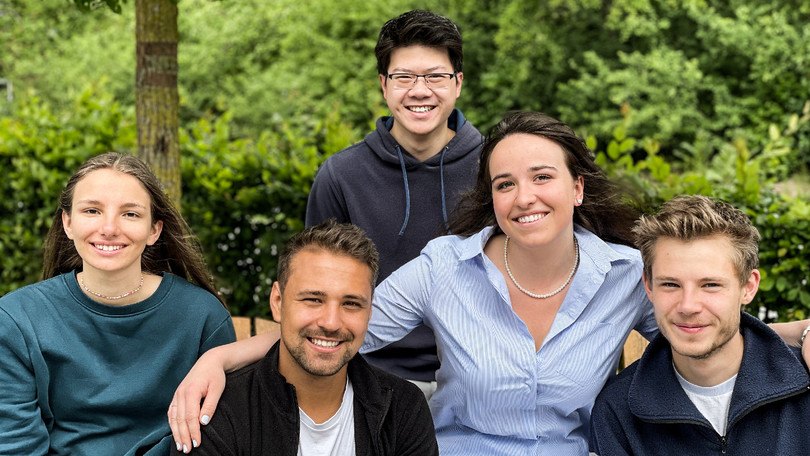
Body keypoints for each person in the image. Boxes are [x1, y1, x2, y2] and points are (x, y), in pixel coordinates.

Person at [168, 111, 810, 455]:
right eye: (505, 184)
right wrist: (219, 358)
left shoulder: (622, 274)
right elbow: (337, 332)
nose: (524, 197)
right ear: (492, 197)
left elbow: (701, 324)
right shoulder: (445, 266)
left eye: (542, 177)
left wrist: (803, 332)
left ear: (577, 187)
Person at [0, 152, 236, 455]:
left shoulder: (202, 317)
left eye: (131, 214)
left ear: (154, 230)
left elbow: (221, 437)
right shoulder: (17, 319)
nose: (109, 228)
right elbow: (15, 448)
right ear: (68, 223)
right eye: (92, 211)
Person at [305, 9, 483, 396]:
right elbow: (317, 287)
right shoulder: (341, 175)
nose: (420, 91)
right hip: (369, 377)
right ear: (384, 85)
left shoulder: (497, 170)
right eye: (404, 77)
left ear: (458, 84)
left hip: (481, 376)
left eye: (436, 76)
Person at [170, 220, 438, 455]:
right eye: (313, 299)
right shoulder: (218, 412)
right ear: (277, 302)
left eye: (351, 304)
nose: (331, 323)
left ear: (370, 311)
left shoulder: (403, 409)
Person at [589, 195, 810, 455]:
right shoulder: (616, 412)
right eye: (670, 284)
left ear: (748, 287)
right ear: (649, 287)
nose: (688, 305)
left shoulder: (804, 385)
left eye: (710, 285)